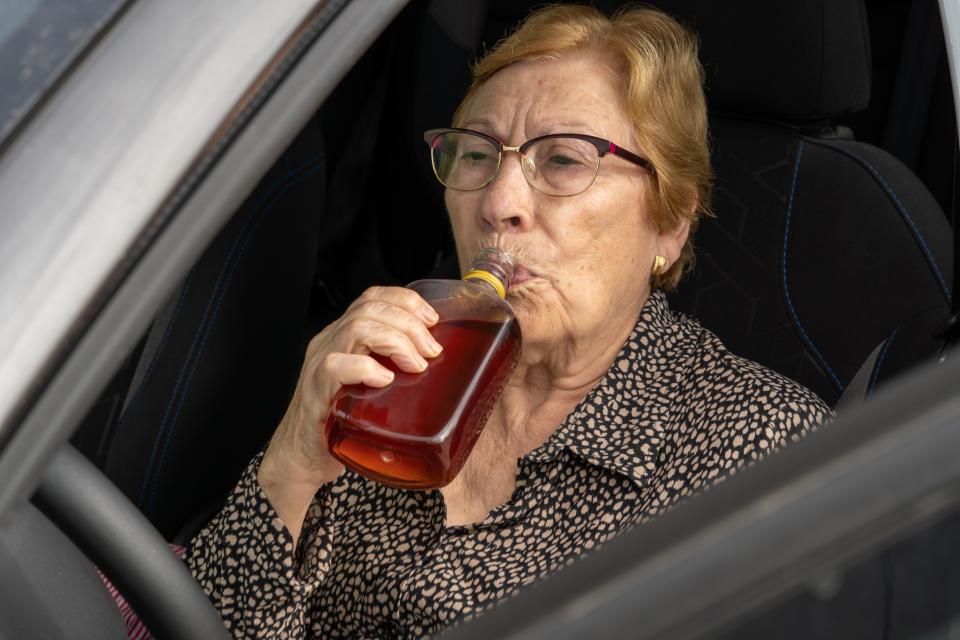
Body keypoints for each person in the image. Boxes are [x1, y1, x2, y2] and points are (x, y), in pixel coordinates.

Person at [185, 4, 831, 638]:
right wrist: (292, 464)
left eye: (563, 161)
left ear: (669, 221)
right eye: (475, 156)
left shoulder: (768, 455)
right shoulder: (386, 376)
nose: (499, 203)